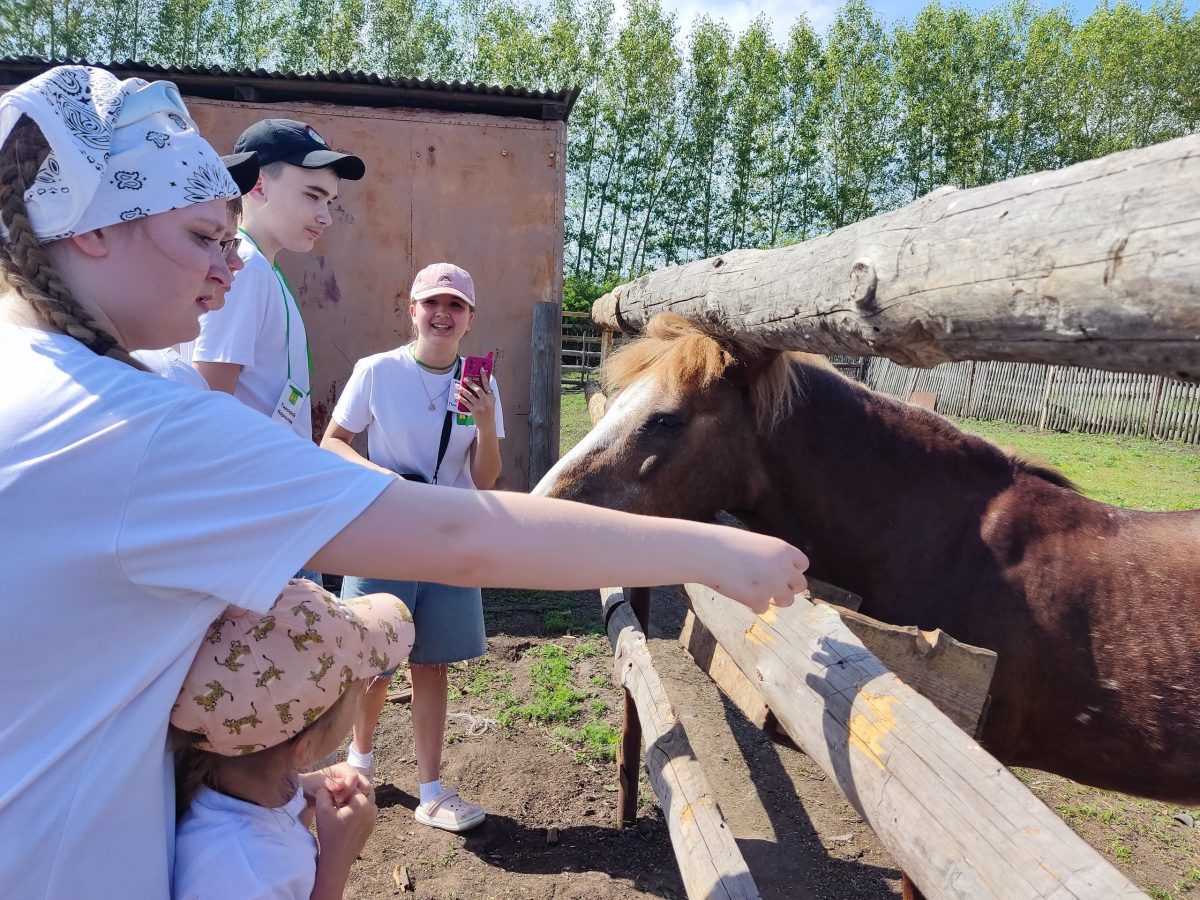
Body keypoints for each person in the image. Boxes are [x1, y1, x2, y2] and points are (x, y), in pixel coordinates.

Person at [0, 65, 807, 899]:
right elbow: (463, 534)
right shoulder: (133, 422)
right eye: (203, 239)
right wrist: (712, 551)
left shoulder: (41, 373)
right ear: (92, 231)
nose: (227, 267)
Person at [320, 262, 500, 831]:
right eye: (432, 303)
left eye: (455, 306)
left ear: (470, 319)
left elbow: (487, 477)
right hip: (386, 528)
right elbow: (332, 443)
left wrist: (488, 418)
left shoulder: (481, 383)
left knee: (432, 662)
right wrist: (385, 480)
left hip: (447, 532)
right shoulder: (377, 371)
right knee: (375, 661)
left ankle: (431, 791)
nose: (442, 315)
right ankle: (360, 762)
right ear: (412, 309)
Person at [171, 579, 416, 899]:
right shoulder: (249, 872)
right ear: (305, 749)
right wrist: (336, 861)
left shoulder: (218, 782)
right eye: (357, 687)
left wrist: (301, 788)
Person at [183, 119, 365, 439]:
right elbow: (211, 401)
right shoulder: (245, 269)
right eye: (312, 195)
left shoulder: (263, 268)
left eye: (329, 202)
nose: (326, 217)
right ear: (258, 185)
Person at [132, 151, 257, 387]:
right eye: (205, 238)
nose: (235, 264)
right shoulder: (166, 379)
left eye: (230, 242)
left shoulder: (171, 372)